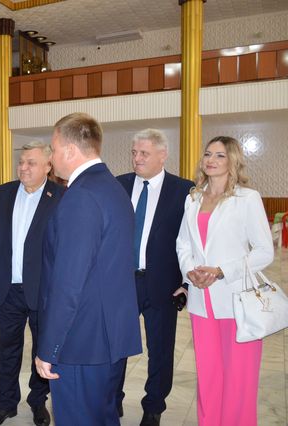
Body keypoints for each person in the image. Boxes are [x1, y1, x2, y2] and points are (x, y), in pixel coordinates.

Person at [35, 113, 142, 425]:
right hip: (109, 336)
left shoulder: (80, 196)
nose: (51, 158)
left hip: (82, 342)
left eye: (54, 149)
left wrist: (49, 347)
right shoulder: (112, 187)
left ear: (70, 150)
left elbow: (68, 283)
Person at [176, 136, 273, 426]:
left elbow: (264, 251)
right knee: (208, 375)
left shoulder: (247, 198)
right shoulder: (193, 198)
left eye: (219, 155)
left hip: (236, 299)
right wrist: (190, 271)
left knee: (239, 377)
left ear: (233, 161)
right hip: (201, 300)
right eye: (208, 154)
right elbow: (183, 243)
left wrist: (221, 271)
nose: (211, 160)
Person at [0, 142, 64, 426]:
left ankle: (38, 401)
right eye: (21, 162)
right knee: (8, 350)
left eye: (31, 163)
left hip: (44, 292)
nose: (24, 168)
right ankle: (5, 404)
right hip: (7, 290)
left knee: (43, 349)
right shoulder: (3, 194)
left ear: (48, 166)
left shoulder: (61, 197)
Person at [115, 129, 194, 426]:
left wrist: (185, 283)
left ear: (163, 155)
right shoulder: (119, 184)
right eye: (134, 152)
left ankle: (154, 406)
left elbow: (191, 240)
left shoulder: (184, 190)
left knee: (160, 349)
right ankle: (113, 398)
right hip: (121, 282)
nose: (137, 158)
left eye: (144, 153)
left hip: (163, 284)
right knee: (116, 344)